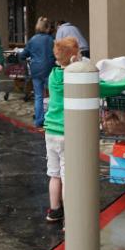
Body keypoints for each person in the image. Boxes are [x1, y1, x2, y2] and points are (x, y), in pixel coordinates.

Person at [43, 36, 81, 222]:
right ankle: (70, 220)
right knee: (68, 176)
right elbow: (102, 88)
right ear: (74, 58)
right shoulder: (74, 77)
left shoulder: (53, 74)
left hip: (50, 131)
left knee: (54, 174)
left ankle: (54, 210)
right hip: (67, 131)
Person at [21, 17, 56, 128]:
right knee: (52, 95)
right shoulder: (51, 40)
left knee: (38, 96)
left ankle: (38, 120)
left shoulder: (32, 40)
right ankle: (51, 119)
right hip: (49, 70)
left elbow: (23, 54)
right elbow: (56, 54)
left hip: (36, 70)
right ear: (47, 28)